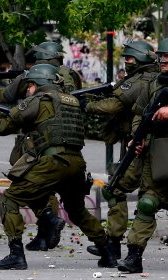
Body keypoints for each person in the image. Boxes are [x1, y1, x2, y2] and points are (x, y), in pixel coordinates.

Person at [0, 64, 117, 270]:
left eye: (29, 86)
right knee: (76, 210)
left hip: (52, 163)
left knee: (9, 200)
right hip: (76, 163)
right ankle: (107, 251)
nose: (27, 90)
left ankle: (16, 254)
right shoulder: (71, 100)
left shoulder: (39, 99)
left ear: (38, 84)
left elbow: (4, 126)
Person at [0, 41, 83, 252]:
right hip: (68, 141)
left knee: (30, 186)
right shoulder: (72, 75)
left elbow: (6, 97)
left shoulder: (35, 77)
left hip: (37, 140)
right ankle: (48, 231)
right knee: (52, 189)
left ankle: (37, 233)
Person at [85, 40, 158, 259]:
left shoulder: (141, 80)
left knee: (116, 189)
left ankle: (114, 245)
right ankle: (116, 246)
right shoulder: (149, 79)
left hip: (140, 147)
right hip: (137, 143)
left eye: (130, 57)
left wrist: (85, 105)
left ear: (143, 58)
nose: (126, 61)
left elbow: (113, 105)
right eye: (125, 57)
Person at [117, 38, 168, 273]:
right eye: (162, 56)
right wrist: (137, 139)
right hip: (156, 153)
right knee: (147, 203)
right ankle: (133, 257)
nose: (164, 60)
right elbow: (140, 113)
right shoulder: (154, 84)